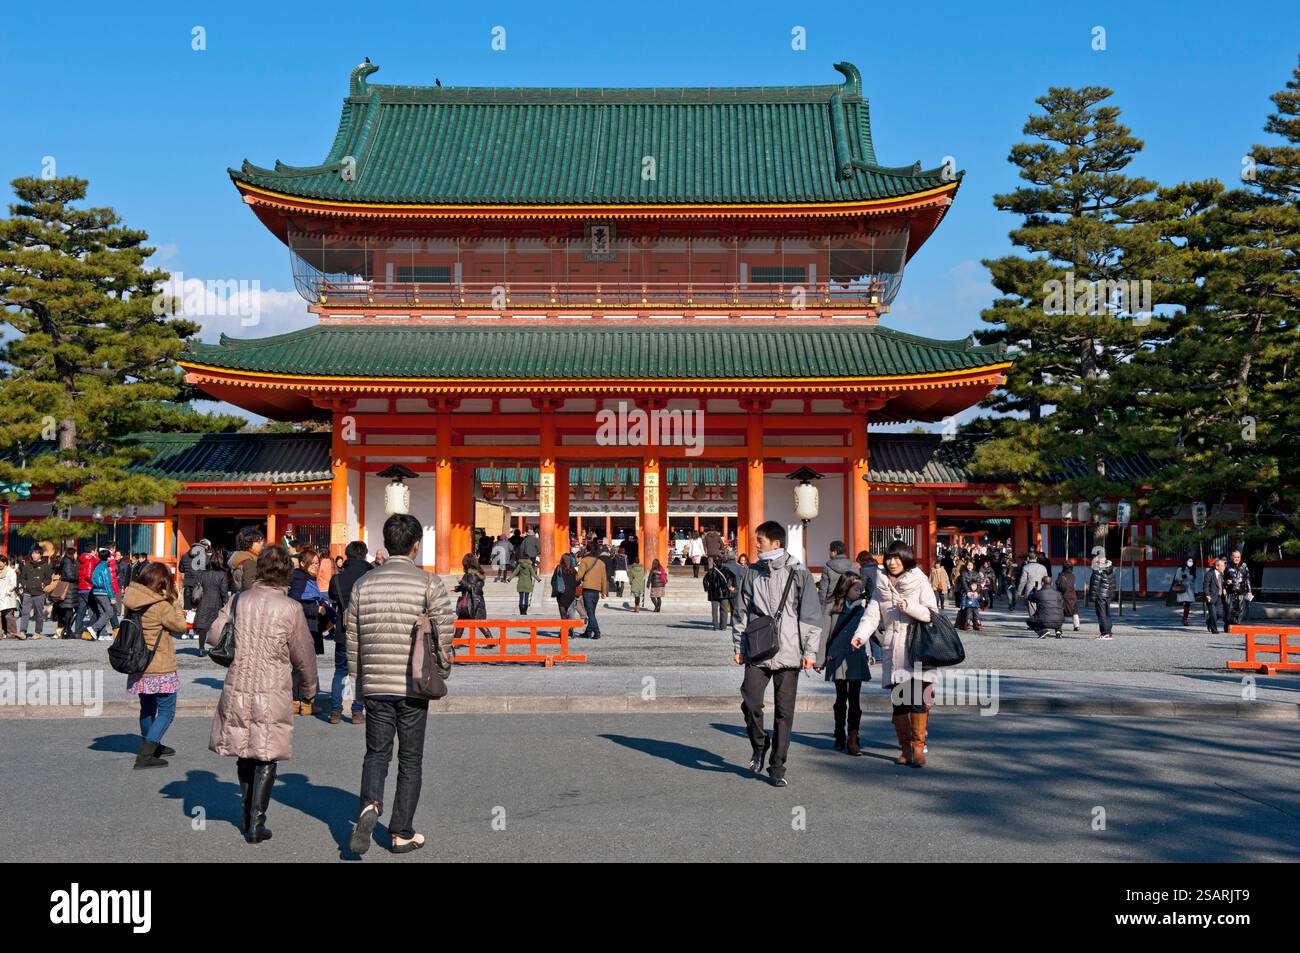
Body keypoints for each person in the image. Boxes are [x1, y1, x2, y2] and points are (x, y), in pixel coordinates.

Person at [347, 514, 457, 856]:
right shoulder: (429, 583)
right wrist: (443, 668)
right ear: (415, 544)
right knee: (411, 759)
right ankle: (401, 831)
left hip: (377, 682)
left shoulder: (363, 585)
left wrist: (359, 681)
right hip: (413, 682)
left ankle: (369, 805)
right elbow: (444, 631)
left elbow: (353, 638)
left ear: (385, 543)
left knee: (377, 753)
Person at [207, 545, 319, 843]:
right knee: (266, 753)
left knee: (244, 749)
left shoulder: (239, 600)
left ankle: (246, 813)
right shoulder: (291, 608)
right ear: (286, 573)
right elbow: (304, 655)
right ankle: (257, 820)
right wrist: (309, 689)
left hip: (239, 682)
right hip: (273, 686)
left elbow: (213, 636)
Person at [731, 520, 821, 787]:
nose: (756, 545)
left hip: (791, 649)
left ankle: (777, 766)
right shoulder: (752, 573)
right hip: (758, 648)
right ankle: (760, 744)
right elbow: (741, 612)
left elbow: (811, 615)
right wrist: (738, 646)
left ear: (776, 543)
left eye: (760, 541)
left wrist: (811, 651)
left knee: (785, 712)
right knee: (750, 701)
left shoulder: (799, 573)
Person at [850, 540, 939, 768]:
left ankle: (919, 748)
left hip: (917, 647)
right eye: (889, 558)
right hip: (894, 648)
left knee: (917, 701)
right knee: (899, 702)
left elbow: (932, 613)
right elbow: (872, 614)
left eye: (897, 558)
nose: (892, 562)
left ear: (906, 559)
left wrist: (908, 606)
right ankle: (905, 748)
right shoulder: (881, 583)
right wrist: (860, 635)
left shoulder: (920, 580)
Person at [124, 562, 189, 769]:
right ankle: (146, 753)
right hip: (160, 664)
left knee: (147, 707)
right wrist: (177, 605)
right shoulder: (160, 605)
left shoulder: (132, 599)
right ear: (162, 582)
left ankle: (151, 743)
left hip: (139, 663)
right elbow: (180, 627)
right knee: (167, 711)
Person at [815, 573, 870, 756]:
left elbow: (874, 631)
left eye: (861, 589)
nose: (859, 592)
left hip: (856, 657)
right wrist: (819, 659)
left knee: (855, 699)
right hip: (837, 657)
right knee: (841, 698)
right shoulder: (832, 607)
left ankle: (853, 738)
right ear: (845, 589)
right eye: (856, 589)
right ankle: (839, 732)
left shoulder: (863, 610)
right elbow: (824, 634)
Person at [328, 541, 372, 725]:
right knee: (361, 672)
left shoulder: (337, 578)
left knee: (340, 671)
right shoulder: (370, 576)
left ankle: (336, 712)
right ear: (364, 555)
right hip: (364, 630)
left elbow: (331, 597)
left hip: (342, 630)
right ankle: (357, 712)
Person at [288, 546, 328, 715]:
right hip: (303, 628)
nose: (315, 567)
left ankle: (300, 702)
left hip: (310, 626)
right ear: (303, 563)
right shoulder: (300, 580)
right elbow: (294, 605)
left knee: (302, 666)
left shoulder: (309, 580)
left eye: (317, 563)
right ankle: (302, 702)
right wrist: (315, 611)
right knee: (303, 666)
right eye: (312, 564)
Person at [189, 548, 231, 658]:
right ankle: (216, 648)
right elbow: (224, 592)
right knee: (216, 626)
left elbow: (196, 588)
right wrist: (226, 604)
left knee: (203, 626)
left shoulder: (202, 573)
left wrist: (194, 603)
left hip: (203, 601)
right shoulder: (222, 575)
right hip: (216, 602)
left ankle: (201, 649)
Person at [17, 546, 53, 640]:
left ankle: (37, 632)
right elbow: (22, 578)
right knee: (25, 613)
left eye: (36, 553)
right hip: (27, 592)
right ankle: (22, 632)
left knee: (39, 613)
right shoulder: (27, 565)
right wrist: (24, 585)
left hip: (39, 593)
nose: (34, 555)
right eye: (33, 553)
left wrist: (43, 584)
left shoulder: (46, 566)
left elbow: (48, 579)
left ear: (40, 554)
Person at [575, 544, 609, 639]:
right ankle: (588, 632)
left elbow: (579, 575)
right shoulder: (601, 563)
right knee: (591, 612)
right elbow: (604, 578)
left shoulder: (585, 561)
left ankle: (597, 632)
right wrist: (604, 591)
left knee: (590, 613)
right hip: (596, 591)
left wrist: (571, 579)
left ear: (588, 551)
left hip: (587, 589)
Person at [454, 553, 489, 641]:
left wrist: (461, 581)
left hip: (471, 601)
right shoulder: (477, 573)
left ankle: (455, 642)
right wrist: (457, 589)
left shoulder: (471, 574)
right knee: (473, 621)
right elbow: (472, 587)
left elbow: (471, 587)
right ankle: (456, 641)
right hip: (477, 600)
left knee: (476, 622)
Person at [87, 548, 118, 641]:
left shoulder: (98, 566)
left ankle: (102, 634)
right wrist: (112, 596)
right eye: (110, 556)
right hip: (103, 592)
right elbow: (107, 583)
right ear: (108, 558)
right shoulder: (105, 568)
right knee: (109, 612)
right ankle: (94, 628)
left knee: (102, 612)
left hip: (95, 591)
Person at [819, 540, 857, 612]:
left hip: (831, 602)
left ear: (834, 552)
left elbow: (823, 588)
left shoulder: (827, 566)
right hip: (849, 602)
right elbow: (857, 585)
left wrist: (821, 602)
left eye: (830, 551)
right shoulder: (853, 565)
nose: (829, 553)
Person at [1087, 547, 1115, 641]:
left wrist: (1093, 596)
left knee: (1101, 614)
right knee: (1107, 613)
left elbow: (1095, 583)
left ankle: (1105, 633)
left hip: (1101, 593)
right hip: (1108, 593)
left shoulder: (1098, 567)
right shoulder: (1109, 565)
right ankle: (1108, 632)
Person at [228, 526, 265, 593]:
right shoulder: (249, 562)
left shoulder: (241, 557)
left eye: (262, 540)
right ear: (249, 543)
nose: (262, 543)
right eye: (258, 541)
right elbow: (250, 589)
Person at [1223, 550, 1252, 630]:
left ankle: (1235, 626)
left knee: (1240, 610)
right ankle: (1228, 624)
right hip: (1230, 591)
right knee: (1229, 610)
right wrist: (1225, 584)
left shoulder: (1244, 565)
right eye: (1235, 557)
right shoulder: (1226, 565)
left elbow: (1247, 579)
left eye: (1238, 557)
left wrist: (1249, 591)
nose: (1237, 559)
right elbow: (1221, 578)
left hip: (1241, 591)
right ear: (1232, 557)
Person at [702, 558, 733, 630]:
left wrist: (706, 589)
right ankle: (723, 626)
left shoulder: (711, 571)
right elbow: (732, 578)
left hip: (713, 593)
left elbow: (705, 580)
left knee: (714, 611)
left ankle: (716, 626)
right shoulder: (726, 570)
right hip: (724, 592)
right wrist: (731, 586)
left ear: (714, 564)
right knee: (724, 610)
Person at [1055, 560, 1080, 631]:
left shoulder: (1061, 575)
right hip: (1072, 595)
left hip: (1063, 595)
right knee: (1075, 611)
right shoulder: (1073, 576)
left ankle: (1059, 625)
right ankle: (1076, 625)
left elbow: (1057, 584)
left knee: (1061, 611)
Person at [552, 552, 579, 619]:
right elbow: (578, 582)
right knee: (570, 612)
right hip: (571, 593)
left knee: (563, 613)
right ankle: (569, 626)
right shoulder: (573, 570)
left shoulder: (559, 568)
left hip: (561, 593)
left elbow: (553, 580)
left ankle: (564, 627)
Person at [1205, 557, 1227, 635]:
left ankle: (1209, 621)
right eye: (1223, 566)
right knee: (1213, 614)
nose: (1224, 567)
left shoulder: (1221, 574)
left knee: (1219, 614)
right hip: (1211, 597)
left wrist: (1224, 589)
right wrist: (1207, 595)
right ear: (1217, 566)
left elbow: (1221, 584)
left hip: (1220, 597)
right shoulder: (1210, 574)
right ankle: (1214, 629)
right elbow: (1206, 586)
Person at [1173, 557, 1197, 626]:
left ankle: (1185, 618)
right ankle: (1185, 619)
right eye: (1189, 561)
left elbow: (1194, 580)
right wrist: (1182, 577)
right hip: (1183, 587)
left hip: (1190, 588)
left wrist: (1196, 591)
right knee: (1186, 603)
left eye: (1191, 561)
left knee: (1188, 603)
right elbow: (1176, 578)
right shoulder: (1180, 569)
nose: (1190, 562)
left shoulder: (1193, 570)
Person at [0, 556, 17, 638]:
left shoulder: (10, 571)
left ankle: (12, 633)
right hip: (0, 596)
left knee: (8, 616)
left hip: (7, 596)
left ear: (5, 562)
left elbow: (13, 584)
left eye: (0, 562)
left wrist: (7, 591)